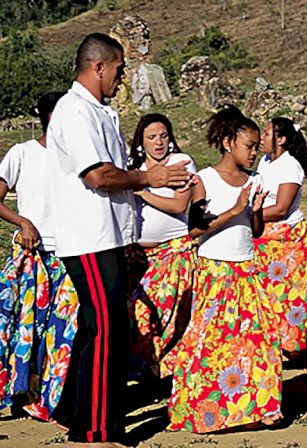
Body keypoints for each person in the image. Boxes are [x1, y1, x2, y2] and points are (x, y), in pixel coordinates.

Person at [46, 33, 190, 445]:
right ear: (99, 67)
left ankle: (75, 410)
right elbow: (98, 175)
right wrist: (151, 177)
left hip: (107, 234)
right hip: (88, 235)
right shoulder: (74, 112)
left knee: (97, 325)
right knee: (108, 329)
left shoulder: (99, 113)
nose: (122, 77)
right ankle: (95, 428)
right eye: (119, 69)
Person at [166, 105, 283, 433]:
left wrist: (254, 212)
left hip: (247, 268)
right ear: (229, 142)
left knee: (259, 338)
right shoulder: (204, 179)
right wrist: (234, 210)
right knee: (211, 343)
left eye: (257, 145)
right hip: (215, 271)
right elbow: (195, 229)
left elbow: (255, 230)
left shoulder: (256, 179)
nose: (254, 152)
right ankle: (204, 409)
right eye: (249, 146)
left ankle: (266, 406)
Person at [0, 92, 78, 422]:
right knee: (19, 327)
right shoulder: (22, 153)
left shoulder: (76, 159)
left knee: (61, 332)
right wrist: (22, 221)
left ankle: (48, 399)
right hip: (31, 254)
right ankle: (16, 391)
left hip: (68, 254)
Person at [127, 114, 200, 381]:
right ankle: (146, 370)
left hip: (172, 252)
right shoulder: (132, 167)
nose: (158, 142)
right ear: (141, 141)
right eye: (152, 137)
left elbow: (180, 205)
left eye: (163, 136)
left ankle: (161, 370)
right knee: (135, 315)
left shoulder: (181, 163)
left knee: (161, 315)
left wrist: (143, 189)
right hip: (137, 256)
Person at [254, 117, 307, 373]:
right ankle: (279, 347)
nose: (261, 138)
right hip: (264, 239)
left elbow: (281, 208)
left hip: (289, 241)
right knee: (269, 299)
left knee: (299, 299)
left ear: (281, 140)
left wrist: (245, 214)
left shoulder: (290, 166)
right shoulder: (264, 162)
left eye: (266, 134)